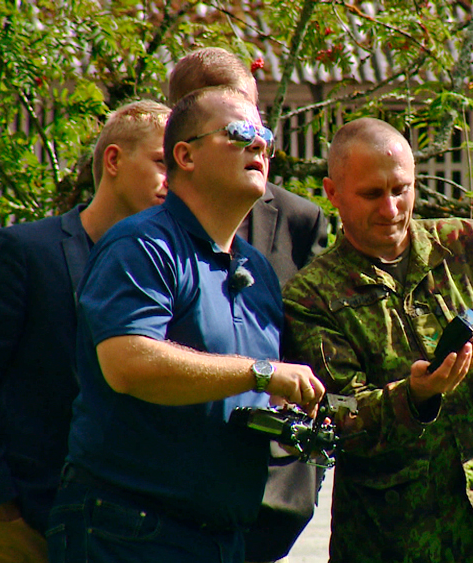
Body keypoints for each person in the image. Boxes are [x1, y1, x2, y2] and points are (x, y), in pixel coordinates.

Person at [46, 86, 326, 563]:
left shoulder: (258, 271)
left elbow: (234, 391)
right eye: (240, 132)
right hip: (129, 533)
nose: (259, 144)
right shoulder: (141, 244)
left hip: (223, 538)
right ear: (185, 155)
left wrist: (284, 407)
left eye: (264, 134)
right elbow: (128, 363)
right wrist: (260, 373)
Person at [282, 117, 473, 563]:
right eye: (372, 194)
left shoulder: (472, 246)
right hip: (392, 541)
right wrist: (413, 397)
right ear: (333, 193)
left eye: (401, 189)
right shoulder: (310, 297)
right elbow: (333, 418)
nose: (391, 208)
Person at [0, 99, 170, 563]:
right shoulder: (26, 250)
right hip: (6, 528)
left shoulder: (162, 270)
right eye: (161, 162)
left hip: (106, 531)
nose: (172, 181)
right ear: (114, 160)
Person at [169, 47, 329, 563]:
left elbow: (314, 353)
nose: (255, 138)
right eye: (236, 127)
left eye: (258, 123)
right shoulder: (143, 232)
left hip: (267, 501)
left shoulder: (298, 222)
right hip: (166, 498)